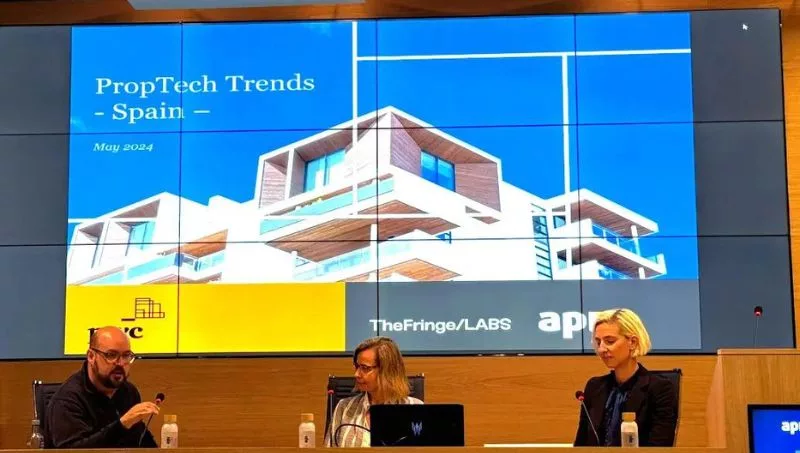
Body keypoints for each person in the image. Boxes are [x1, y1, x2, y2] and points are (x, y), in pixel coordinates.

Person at [573, 308, 678, 447]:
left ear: (632, 342)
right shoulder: (594, 387)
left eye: (610, 341)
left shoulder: (660, 389)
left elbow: (659, 447)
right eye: (598, 342)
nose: (601, 349)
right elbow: (581, 445)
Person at [45, 326, 160, 448]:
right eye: (111, 355)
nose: (120, 363)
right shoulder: (67, 400)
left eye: (126, 356)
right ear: (91, 356)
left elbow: (140, 440)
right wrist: (122, 424)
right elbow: (74, 450)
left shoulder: (128, 392)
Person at [325, 337, 422, 448]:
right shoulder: (344, 407)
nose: (356, 374)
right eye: (357, 367)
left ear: (387, 371)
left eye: (365, 368)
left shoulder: (416, 409)